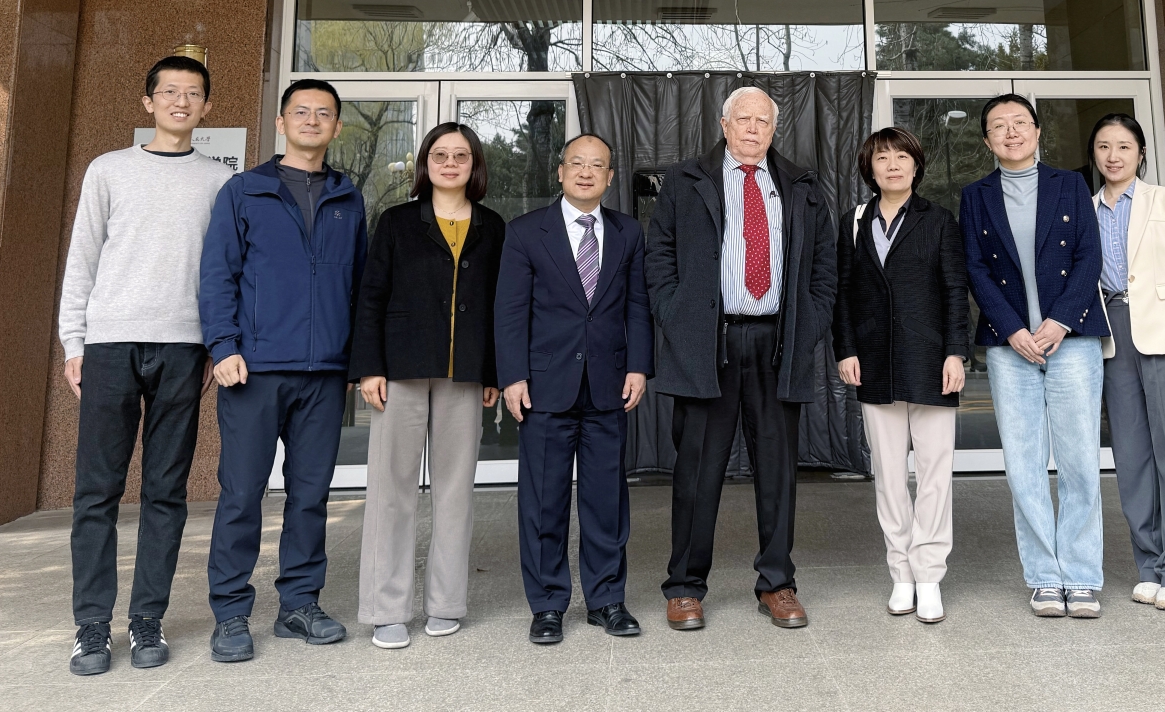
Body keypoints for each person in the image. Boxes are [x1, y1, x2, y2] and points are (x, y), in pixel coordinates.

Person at [58, 56, 234, 676]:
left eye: (193, 93)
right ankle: (91, 625)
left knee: (165, 490)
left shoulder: (220, 181)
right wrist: (74, 343)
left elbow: (226, 272)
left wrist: (216, 345)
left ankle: (146, 618)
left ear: (207, 107)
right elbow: (82, 258)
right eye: (170, 92)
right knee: (97, 491)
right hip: (110, 344)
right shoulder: (108, 170)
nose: (181, 102)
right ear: (148, 101)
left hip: (184, 347)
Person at [646, 87, 837, 632]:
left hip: (778, 344)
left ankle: (777, 582)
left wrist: (809, 324)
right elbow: (659, 255)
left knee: (777, 472)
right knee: (697, 471)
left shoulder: (800, 185)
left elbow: (824, 266)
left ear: (774, 129)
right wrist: (676, 317)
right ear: (724, 124)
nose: (753, 129)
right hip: (709, 343)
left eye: (763, 121)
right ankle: (685, 587)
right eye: (743, 119)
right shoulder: (685, 181)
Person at [198, 78, 368, 661]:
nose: (312, 120)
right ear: (281, 122)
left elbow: (360, 285)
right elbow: (217, 275)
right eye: (301, 111)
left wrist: (357, 360)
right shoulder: (244, 191)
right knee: (242, 494)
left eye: (324, 113)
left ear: (337, 127)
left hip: (325, 373)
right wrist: (223, 347)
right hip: (254, 369)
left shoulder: (348, 197)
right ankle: (230, 613)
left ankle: (299, 605)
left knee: (310, 496)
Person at [351, 123, 505, 649]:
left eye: (461, 155)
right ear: (425, 163)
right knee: (391, 491)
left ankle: (445, 603)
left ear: (474, 164)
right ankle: (386, 608)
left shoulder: (492, 226)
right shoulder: (397, 221)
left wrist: (493, 372)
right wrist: (369, 367)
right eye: (440, 154)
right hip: (401, 370)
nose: (450, 163)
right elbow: (371, 296)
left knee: (455, 492)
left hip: (466, 374)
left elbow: (499, 306)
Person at [495, 133, 653, 644]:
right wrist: (512, 376)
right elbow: (510, 311)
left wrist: (639, 366)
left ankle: (606, 600)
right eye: (577, 163)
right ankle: (547, 604)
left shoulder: (629, 232)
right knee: (544, 501)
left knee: (606, 501)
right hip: (545, 387)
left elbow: (638, 305)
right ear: (560, 172)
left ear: (610, 177)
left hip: (609, 385)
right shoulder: (526, 232)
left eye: (597, 165)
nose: (586, 172)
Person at [959, 93, 1110, 619]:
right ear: (987, 140)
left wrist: (1060, 320)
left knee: (1079, 462)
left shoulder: (1070, 184)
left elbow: (1089, 256)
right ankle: (1045, 576)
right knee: (1024, 465)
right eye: (999, 126)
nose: (1011, 132)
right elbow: (975, 268)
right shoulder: (975, 195)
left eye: (1020, 122)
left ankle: (1082, 576)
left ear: (1038, 131)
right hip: (1011, 345)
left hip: (1072, 338)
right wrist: (1012, 329)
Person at [833, 127, 970, 625]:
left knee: (934, 474)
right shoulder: (853, 221)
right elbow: (842, 291)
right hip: (873, 360)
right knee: (889, 475)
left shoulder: (939, 220)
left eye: (901, 156)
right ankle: (901, 574)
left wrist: (956, 353)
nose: (892, 165)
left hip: (931, 359)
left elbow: (955, 289)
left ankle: (929, 575)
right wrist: (846, 349)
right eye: (882, 158)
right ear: (869, 169)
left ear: (916, 165)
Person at [1090, 113, 1165, 613]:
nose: (1113, 155)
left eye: (1123, 146)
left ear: (1140, 153)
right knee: (1132, 457)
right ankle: (1150, 564)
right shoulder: (1085, 208)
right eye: (1103, 146)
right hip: (1112, 336)